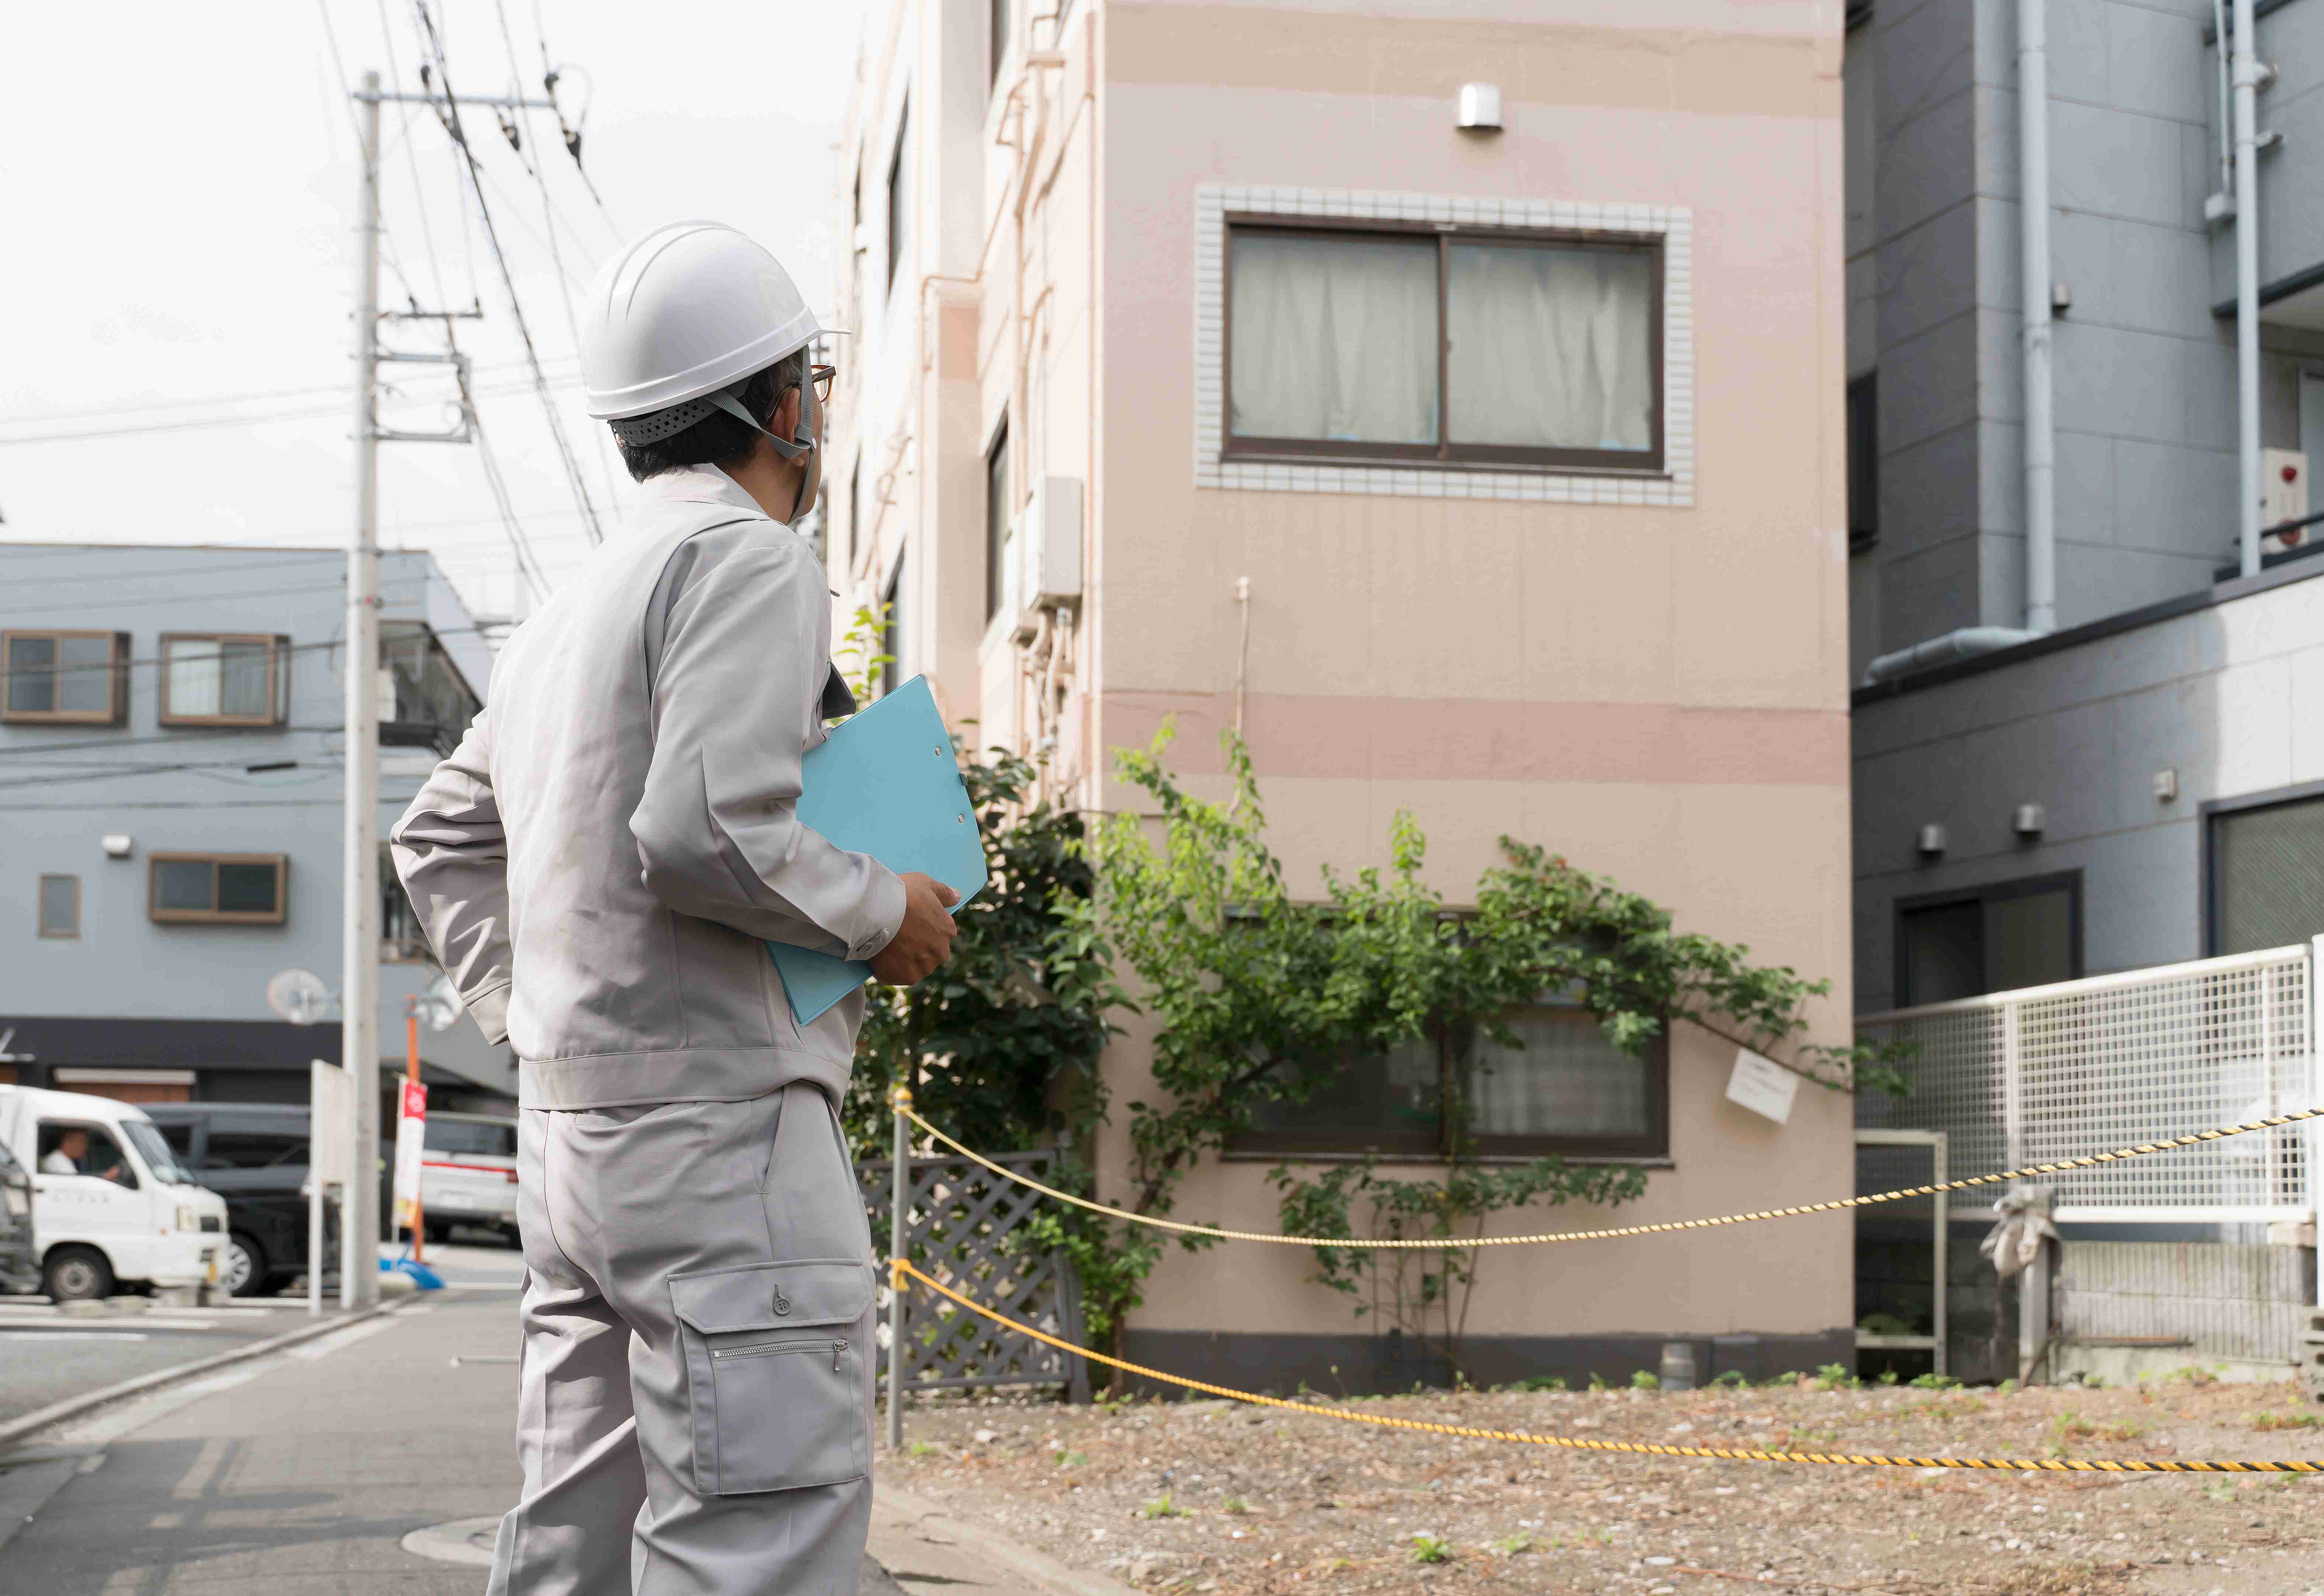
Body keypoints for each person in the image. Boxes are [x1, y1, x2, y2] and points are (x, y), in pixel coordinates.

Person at [391, 221, 959, 1596]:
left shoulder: (563, 612)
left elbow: (438, 836)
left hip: (576, 1143)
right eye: (812, 387)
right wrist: (890, 910)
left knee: (574, 1536)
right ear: (785, 407)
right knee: (754, 1537)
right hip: (724, 1145)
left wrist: (532, 1018)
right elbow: (706, 827)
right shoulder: (754, 561)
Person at [40, 1128, 124, 1184]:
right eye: (82, 1143)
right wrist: (106, 1178)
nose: (85, 1147)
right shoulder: (57, 1161)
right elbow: (77, 1184)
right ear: (67, 1143)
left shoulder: (64, 1159)